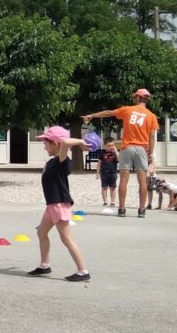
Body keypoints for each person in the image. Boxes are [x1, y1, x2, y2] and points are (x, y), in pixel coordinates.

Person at [82, 88, 159, 218]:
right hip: (141, 148)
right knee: (142, 181)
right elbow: (152, 136)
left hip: (127, 147)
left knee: (124, 180)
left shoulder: (128, 110)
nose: (133, 98)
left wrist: (92, 115)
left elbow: (109, 113)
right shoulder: (151, 116)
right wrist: (150, 153)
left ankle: (122, 209)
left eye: (135, 97)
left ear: (139, 98)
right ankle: (142, 210)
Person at [26, 126, 90, 282]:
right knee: (41, 233)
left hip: (59, 205)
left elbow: (66, 143)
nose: (44, 147)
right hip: (52, 206)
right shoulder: (52, 162)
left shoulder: (63, 161)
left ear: (55, 144)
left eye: (46, 144)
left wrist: (81, 142)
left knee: (66, 239)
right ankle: (44, 265)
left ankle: (83, 271)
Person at [95, 137, 119, 208]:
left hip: (113, 173)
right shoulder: (102, 153)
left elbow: (119, 159)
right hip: (104, 173)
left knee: (113, 187)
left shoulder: (115, 153)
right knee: (104, 187)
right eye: (109, 146)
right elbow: (99, 163)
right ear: (105, 146)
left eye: (112, 145)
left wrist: (116, 151)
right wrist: (97, 173)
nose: (111, 147)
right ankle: (105, 201)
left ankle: (113, 201)